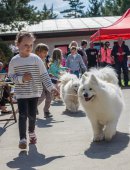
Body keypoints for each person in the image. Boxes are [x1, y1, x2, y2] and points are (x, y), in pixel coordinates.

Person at [8, 31, 58, 149]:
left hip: (35, 92)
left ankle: (31, 132)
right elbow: (10, 76)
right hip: (21, 94)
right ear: (18, 44)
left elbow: (44, 75)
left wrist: (52, 88)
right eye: (25, 45)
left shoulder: (36, 59)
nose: (29, 47)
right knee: (22, 115)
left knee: (32, 115)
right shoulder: (14, 61)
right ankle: (22, 139)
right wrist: (21, 78)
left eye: (31, 45)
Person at [35, 43, 52, 118]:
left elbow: (44, 71)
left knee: (49, 96)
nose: (46, 54)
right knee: (42, 96)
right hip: (39, 82)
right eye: (44, 52)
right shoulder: (35, 60)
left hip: (46, 81)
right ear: (39, 52)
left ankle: (46, 111)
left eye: (46, 52)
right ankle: (34, 107)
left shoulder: (44, 60)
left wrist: (49, 74)